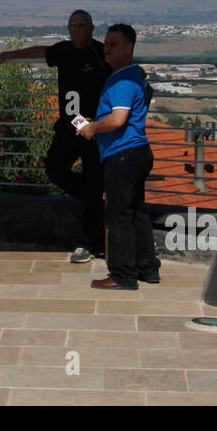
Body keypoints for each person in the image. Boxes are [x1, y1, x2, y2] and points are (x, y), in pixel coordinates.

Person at [0, 9, 108, 262]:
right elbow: (39, 51)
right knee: (55, 168)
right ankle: (95, 196)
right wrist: (8, 55)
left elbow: (124, 79)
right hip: (69, 126)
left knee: (93, 184)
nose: (75, 29)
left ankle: (89, 242)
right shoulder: (64, 50)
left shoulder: (100, 53)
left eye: (80, 25)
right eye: (71, 26)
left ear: (91, 28)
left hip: (94, 130)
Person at [76, 24, 159, 289]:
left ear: (129, 48)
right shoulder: (134, 76)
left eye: (113, 44)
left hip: (122, 155)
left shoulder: (122, 79)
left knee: (118, 216)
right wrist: (97, 122)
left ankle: (123, 275)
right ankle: (148, 269)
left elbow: (118, 119)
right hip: (137, 152)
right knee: (137, 213)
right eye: (106, 43)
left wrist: (92, 128)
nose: (106, 48)